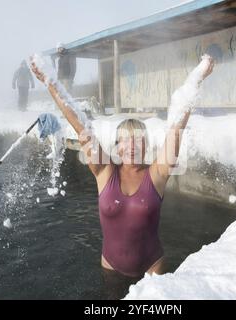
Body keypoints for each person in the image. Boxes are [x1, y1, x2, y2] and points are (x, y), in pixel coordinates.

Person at [30, 56, 214, 278]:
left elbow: (176, 128)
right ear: (117, 145)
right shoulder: (104, 170)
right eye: (125, 140)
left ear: (146, 144)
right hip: (111, 268)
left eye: (138, 139)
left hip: (152, 269)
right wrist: (51, 83)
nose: (132, 146)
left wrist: (196, 79)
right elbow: (79, 124)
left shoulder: (157, 173)